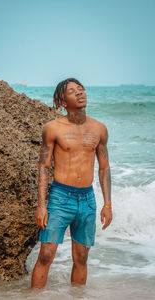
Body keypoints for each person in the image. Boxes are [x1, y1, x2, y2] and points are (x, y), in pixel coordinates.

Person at [31, 78, 112, 288]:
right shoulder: (53, 129)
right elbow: (43, 167)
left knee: (82, 258)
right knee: (46, 254)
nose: (79, 93)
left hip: (87, 199)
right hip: (60, 197)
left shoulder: (99, 129)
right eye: (72, 91)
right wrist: (41, 205)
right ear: (62, 101)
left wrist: (107, 204)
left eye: (81, 89)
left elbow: (104, 168)